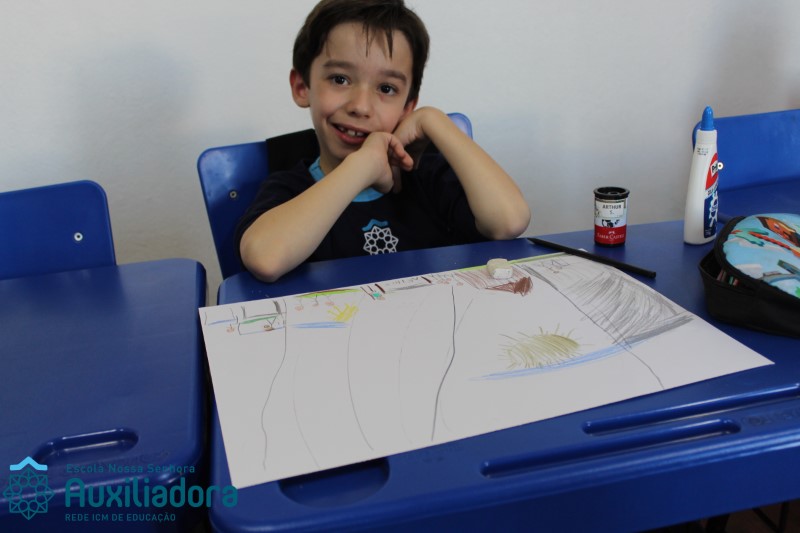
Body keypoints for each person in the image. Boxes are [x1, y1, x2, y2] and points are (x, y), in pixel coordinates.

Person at [237, 0, 530, 282]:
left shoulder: (428, 177)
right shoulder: (289, 189)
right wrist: (363, 165)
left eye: (387, 88)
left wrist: (433, 120)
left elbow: (510, 221)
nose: (361, 106)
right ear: (302, 87)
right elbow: (266, 259)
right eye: (340, 79)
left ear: (407, 106)